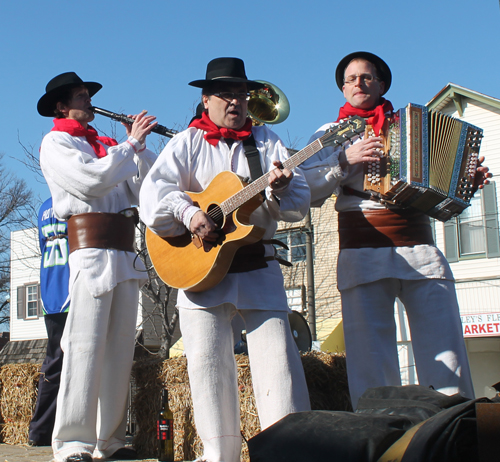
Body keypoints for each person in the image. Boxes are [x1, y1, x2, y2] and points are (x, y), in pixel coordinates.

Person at [140, 57, 311, 462]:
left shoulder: (268, 143)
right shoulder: (187, 142)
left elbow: (299, 203)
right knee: (207, 369)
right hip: (198, 269)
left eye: (240, 93)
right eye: (225, 93)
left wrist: (280, 189)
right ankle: (220, 455)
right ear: (206, 99)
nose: (234, 101)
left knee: (279, 366)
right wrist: (190, 213)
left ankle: (284, 451)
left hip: (258, 264)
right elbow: (153, 195)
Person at [301, 51, 492, 410]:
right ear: (343, 88)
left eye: (367, 77)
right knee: (370, 359)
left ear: (382, 84)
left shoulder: (410, 125)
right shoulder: (329, 134)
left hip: (419, 249)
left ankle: (454, 433)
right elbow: (305, 191)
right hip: (362, 248)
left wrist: (465, 183)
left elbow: (441, 187)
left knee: (446, 351)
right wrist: (345, 161)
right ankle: (381, 435)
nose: (359, 83)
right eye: (352, 78)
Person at [37, 72, 157, 462]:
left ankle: (111, 441)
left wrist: (138, 149)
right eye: (81, 96)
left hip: (124, 250)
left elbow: (147, 189)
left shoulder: (107, 146)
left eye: (89, 95)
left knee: (120, 348)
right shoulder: (56, 142)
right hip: (89, 250)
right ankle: (72, 443)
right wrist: (129, 145)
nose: (89, 102)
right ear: (61, 105)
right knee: (84, 346)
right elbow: (91, 182)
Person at [28, 197, 70, 447]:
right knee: (70, 361)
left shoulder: (44, 207)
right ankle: (47, 429)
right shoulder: (73, 201)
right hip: (68, 286)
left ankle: (41, 429)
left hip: (50, 290)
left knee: (54, 360)